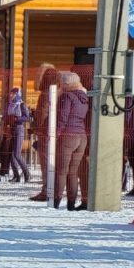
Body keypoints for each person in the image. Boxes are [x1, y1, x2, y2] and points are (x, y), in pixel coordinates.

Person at [54, 71, 89, 210]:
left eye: (61, 81)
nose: (60, 84)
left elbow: (62, 117)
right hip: (81, 137)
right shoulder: (84, 97)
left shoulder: (67, 96)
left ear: (66, 83)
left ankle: (55, 202)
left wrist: (56, 134)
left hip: (68, 136)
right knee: (73, 172)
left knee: (61, 171)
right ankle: (71, 204)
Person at [30, 64, 58, 202]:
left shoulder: (46, 94)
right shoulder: (60, 91)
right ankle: (53, 189)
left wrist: (36, 126)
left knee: (46, 162)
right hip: (57, 132)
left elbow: (43, 113)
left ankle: (47, 190)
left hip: (45, 132)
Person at [4, 87, 30, 182]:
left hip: (19, 129)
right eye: (10, 93)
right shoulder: (9, 105)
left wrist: (16, 119)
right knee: (12, 155)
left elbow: (27, 117)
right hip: (10, 129)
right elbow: (5, 116)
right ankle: (16, 176)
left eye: (13, 94)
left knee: (17, 154)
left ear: (17, 94)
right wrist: (6, 121)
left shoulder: (22, 105)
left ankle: (27, 173)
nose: (10, 95)